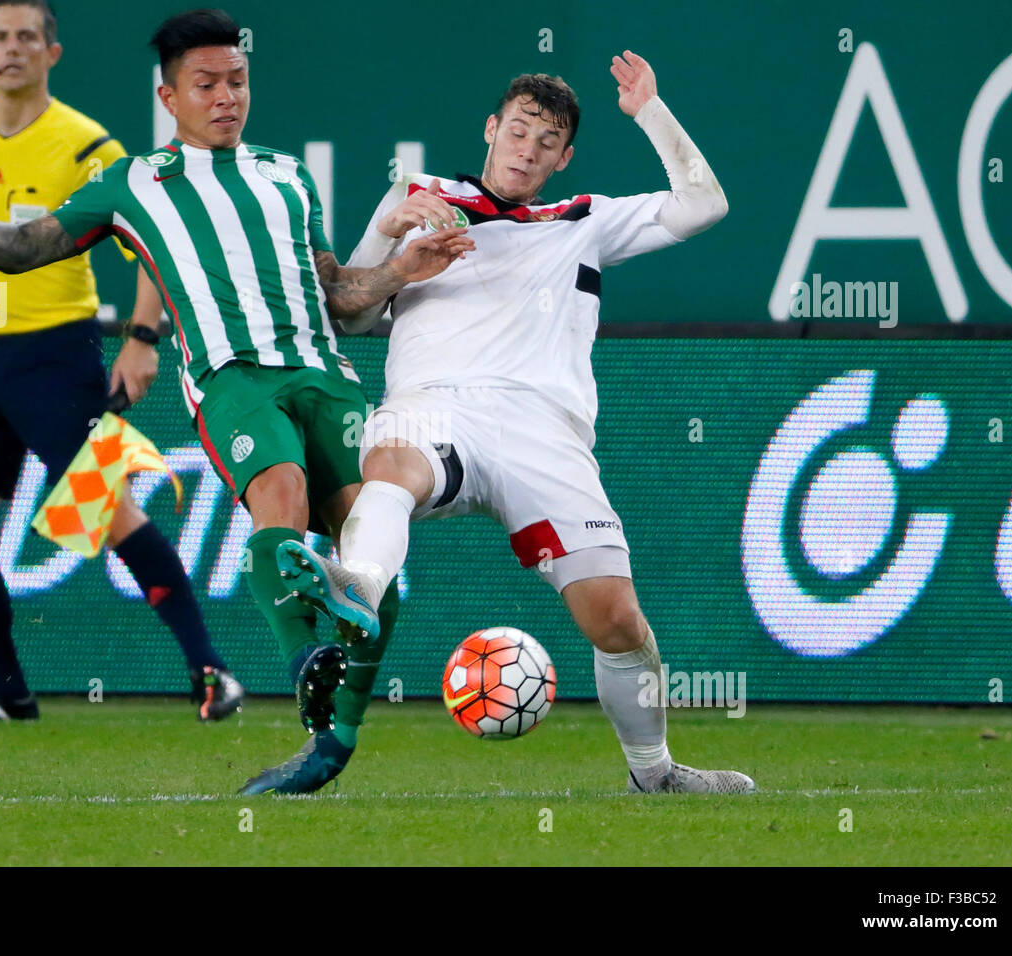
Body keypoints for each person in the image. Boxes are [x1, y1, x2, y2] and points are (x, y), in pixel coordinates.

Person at [0, 9, 472, 783]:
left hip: (324, 374)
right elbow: (24, 248)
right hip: (231, 378)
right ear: (169, 96)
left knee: (371, 547)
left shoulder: (288, 176)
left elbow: (338, 291)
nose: (226, 97)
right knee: (281, 492)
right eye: (206, 84)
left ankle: (332, 743)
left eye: (236, 81)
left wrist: (402, 271)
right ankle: (305, 659)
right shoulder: (131, 183)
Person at [278, 57, 756, 793]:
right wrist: (389, 240)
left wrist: (651, 112)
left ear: (564, 159)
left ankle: (653, 774)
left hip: (545, 431)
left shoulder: (583, 222)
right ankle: (358, 591)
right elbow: (351, 311)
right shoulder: (418, 198)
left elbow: (704, 205)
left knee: (618, 621)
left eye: (547, 141)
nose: (528, 151)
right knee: (395, 467)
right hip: (436, 402)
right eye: (519, 132)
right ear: (491, 130)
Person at [0, 0, 242, 723]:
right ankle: (10, 693)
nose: (11, 50)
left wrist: (140, 338)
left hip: (54, 353)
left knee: (105, 510)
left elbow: (147, 242)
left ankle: (210, 670)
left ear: (51, 53)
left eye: (26, 37)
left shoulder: (86, 144)